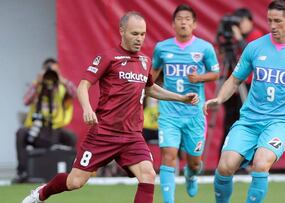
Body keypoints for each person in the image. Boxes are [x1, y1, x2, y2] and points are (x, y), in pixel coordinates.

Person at [22, 11, 199, 203]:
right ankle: (41, 193)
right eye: (134, 34)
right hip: (104, 134)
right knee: (75, 182)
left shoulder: (145, 61)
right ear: (122, 31)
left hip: (132, 135)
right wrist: (88, 109)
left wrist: (181, 98)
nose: (139, 39)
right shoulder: (108, 58)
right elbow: (83, 85)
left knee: (148, 175)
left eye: (142, 34)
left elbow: (149, 89)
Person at [204, 1, 285, 202]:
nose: (273, 25)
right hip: (249, 121)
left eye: (278, 21)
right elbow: (234, 79)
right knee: (225, 166)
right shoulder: (255, 47)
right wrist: (219, 98)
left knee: (260, 163)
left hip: (279, 122)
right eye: (269, 21)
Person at [151, 4, 219, 202]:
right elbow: (152, 76)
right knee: (168, 155)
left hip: (194, 113)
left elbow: (216, 73)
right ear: (173, 24)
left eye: (188, 19)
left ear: (195, 24)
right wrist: (142, 90)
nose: (183, 22)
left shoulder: (205, 48)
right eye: (179, 19)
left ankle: (191, 175)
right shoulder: (162, 48)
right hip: (169, 112)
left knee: (195, 162)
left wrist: (199, 79)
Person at [13, 58, 77, 183]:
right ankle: (22, 172)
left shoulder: (61, 87)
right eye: (48, 72)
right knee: (20, 133)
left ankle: (70, 173)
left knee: (71, 137)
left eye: (53, 72)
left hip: (55, 130)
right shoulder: (37, 85)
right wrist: (37, 82)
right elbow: (26, 101)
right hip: (37, 129)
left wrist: (60, 79)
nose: (50, 76)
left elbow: (75, 93)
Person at [221, 8, 263, 156]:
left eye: (241, 22)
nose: (239, 25)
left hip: (249, 84)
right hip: (236, 85)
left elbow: (253, 56)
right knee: (229, 120)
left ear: (249, 21)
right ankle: (225, 155)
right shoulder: (234, 37)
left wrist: (239, 39)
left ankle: (245, 157)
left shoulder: (256, 35)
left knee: (244, 120)